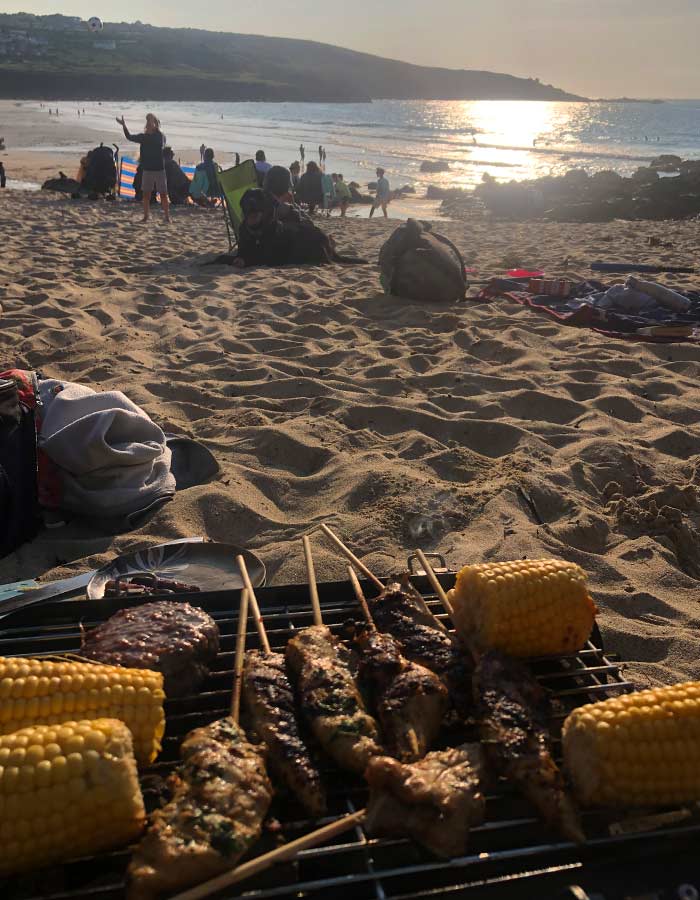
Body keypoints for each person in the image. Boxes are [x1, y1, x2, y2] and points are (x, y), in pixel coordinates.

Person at [116, 112, 170, 223]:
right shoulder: (143, 137)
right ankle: (146, 216)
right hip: (147, 170)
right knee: (146, 195)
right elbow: (129, 137)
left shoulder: (160, 136)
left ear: (155, 123)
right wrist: (124, 125)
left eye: (151, 121)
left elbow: (160, 143)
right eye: (148, 122)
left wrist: (152, 129)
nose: (149, 124)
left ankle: (167, 217)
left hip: (159, 169)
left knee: (163, 194)